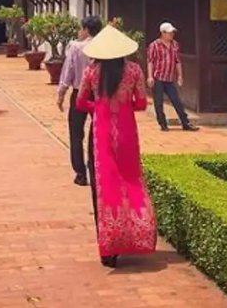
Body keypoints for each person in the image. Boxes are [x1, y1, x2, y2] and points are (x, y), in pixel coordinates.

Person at [74, 24, 157, 268]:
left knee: (104, 186)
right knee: (131, 181)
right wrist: (123, 107)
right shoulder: (133, 70)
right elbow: (141, 104)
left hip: (101, 135)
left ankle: (108, 248)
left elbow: (80, 103)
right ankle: (137, 235)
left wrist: (99, 107)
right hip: (127, 134)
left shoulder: (91, 72)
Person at [57, 16, 104, 186]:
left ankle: (81, 173)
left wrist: (61, 93)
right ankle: (96, 169)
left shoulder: (76, 47)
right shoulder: (104, 47)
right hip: (99, 94)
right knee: (97, 133)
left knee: (76, 134)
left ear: (86, 29)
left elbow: (68, 71)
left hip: (79, 94)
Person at [145, 22, 198, 132]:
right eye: (169, 33)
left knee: (176, 101)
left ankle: (185, 123)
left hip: (169, 78)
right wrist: (150, 76)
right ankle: (163, 124)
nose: (172, 34)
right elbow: (150, 61)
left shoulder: (175, 45)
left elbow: (177, 61)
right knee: (158, 103)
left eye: (172, 32)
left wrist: (180, 76)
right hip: (158, 77)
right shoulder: (154, 45)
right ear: (163, 33)